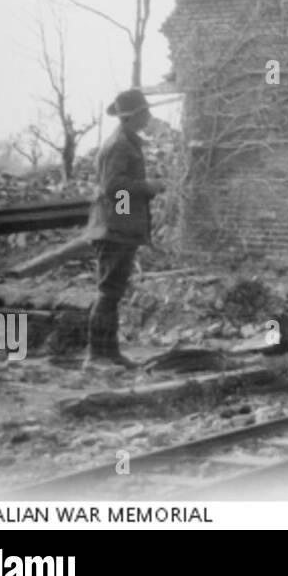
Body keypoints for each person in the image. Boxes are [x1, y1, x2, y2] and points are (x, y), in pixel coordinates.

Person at [82, 88, 165, 369]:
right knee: (108, 292)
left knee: (113, 292)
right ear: (132, 117)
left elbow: (119, 190)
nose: (149, 116)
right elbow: (114, 189)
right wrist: (146, 188)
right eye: (145, 112)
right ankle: (97, 356)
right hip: (113, 230)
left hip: (118, 229)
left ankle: (110, 353)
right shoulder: (119, 145)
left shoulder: (127, 142)